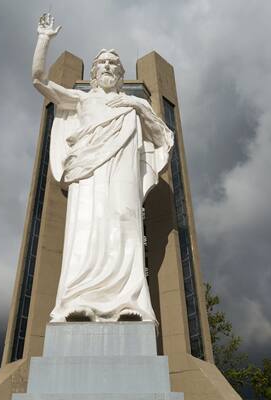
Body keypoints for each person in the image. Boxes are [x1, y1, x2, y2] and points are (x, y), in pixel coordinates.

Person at [32, 13, 173, 323]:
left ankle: (128, 302)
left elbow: (161, 135)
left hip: (122, 173)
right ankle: (77, 302)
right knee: (87, 230)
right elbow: (39, 80)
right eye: (103, 63)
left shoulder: (133, 105)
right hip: (89, 174)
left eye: (113, 64)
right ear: (94, 73)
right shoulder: (82, 100)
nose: (108, 66)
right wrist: (44, 39)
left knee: (125, 227)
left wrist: (136, 105)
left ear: (120, 74)